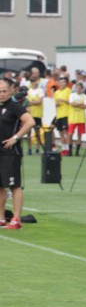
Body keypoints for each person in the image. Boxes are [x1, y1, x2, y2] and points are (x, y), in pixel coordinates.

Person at [0, 78, 36, 230]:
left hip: (10, 153)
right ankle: (1, 218)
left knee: (14, 185)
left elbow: (30, 122)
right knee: (0, 186)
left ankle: (16, 219)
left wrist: (15, 138)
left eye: (4, 91)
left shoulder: (15, 106)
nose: (1, 94)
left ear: (11, 91)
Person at [68, 81, 86, 157]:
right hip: (73, 117)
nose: (79, 90)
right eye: (77, 88)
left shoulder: (84, 96)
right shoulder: (72, 95)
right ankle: (70, 150)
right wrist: (81, 104)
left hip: (81, 118)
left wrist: (76, 105)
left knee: (80, 135)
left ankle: (77, 151)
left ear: (82, 89)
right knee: (70, 134)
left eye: (80, 88)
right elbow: (71, 103)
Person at [53, 76, 71, 156]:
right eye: (61, 82)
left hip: (66, 114)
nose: (62, 83)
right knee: (60, 132)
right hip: (59, 114)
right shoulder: (56, 92)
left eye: (64, 82)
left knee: (65, 132)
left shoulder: (68, 91)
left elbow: (70, 102)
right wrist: (57, 103)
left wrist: (63, 100)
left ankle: (67, 148)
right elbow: (55, 103)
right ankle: (63, 148)